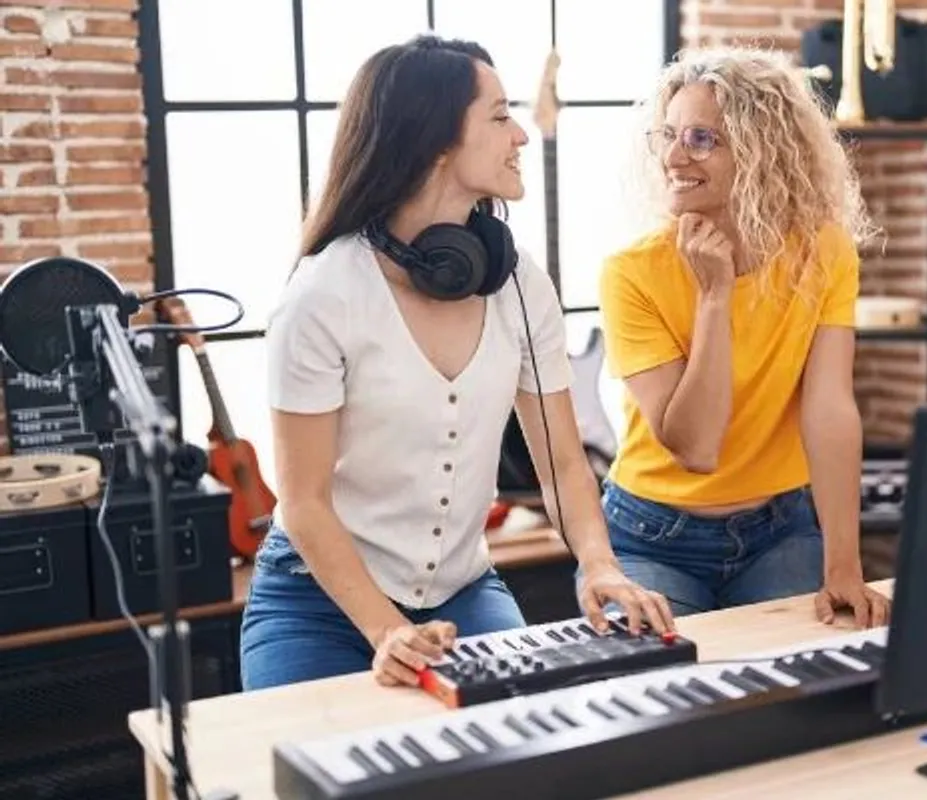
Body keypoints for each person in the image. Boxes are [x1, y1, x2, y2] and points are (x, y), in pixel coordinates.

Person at [240, 34, 673, 692]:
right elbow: (302, 502)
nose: (521, 135)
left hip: (464, 595)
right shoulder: (323, 295)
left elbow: (560, 464)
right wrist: (387, 631)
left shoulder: (522, 284)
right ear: (436, 141)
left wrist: (599, 564)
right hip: (316, 604)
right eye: (500, 116)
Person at [596, 46, 891, 627]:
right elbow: (696, 446)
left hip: (780, 528)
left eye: (702, 139)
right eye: (669, 135)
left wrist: (844, 564)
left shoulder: (823, 249)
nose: (674, 157)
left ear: (762, 154)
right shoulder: (632, 272)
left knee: (801, 693)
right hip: (653, 536)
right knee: (669, 701)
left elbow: (829, 408)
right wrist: (714, 296)